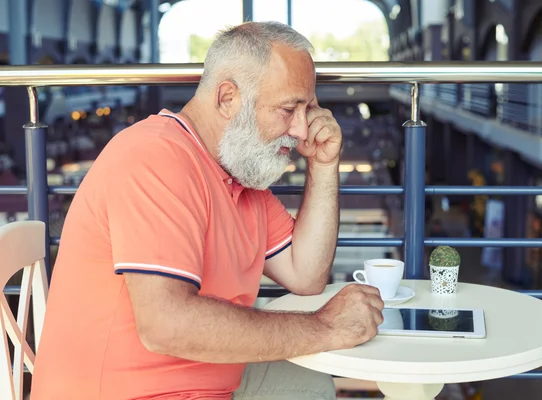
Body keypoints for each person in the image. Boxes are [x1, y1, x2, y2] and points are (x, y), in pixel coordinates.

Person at [31, 22, 385, 400]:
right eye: (288, 109)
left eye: (308, 109)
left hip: (206, 378)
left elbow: (306, 274)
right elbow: (165, 325)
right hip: (130, 392)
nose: (301, 130)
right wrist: (325, 327)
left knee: (310, 384)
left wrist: (324, 165)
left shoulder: (237, 171)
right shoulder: (155, 157)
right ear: (227, 98)